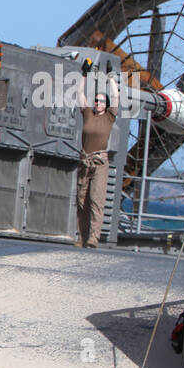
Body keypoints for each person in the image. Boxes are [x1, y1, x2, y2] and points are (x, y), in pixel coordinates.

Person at [76, 73, 119, 248]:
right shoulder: (88, 114)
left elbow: (116, 97)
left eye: (101, 101)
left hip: (100, 162)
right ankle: (82, 236)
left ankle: (94, 237)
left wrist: (111, 79)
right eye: (96, 101)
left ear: (106, 105)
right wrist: (83, 76)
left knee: (96, 199)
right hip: (85, 161)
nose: (98, 103)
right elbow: (79, 94)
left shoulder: (109, 117)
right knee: (81, 200)